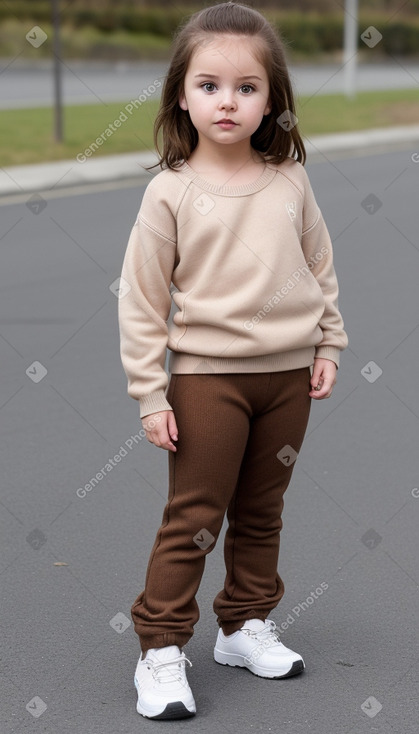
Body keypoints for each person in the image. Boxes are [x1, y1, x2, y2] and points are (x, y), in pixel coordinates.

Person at [118, 0, 348, 721]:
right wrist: (150, 394)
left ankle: (244, 625)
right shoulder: (170, 191)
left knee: (262, 509)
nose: (227, 101)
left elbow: (319, 265)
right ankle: (159, 648)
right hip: (205, 379)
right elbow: (141, 301)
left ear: (270, 99)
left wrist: (328, 341)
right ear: (181, 95)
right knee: (194, 515)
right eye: (209, 85)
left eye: (246, 88)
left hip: (284, 376)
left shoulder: (289, 181)